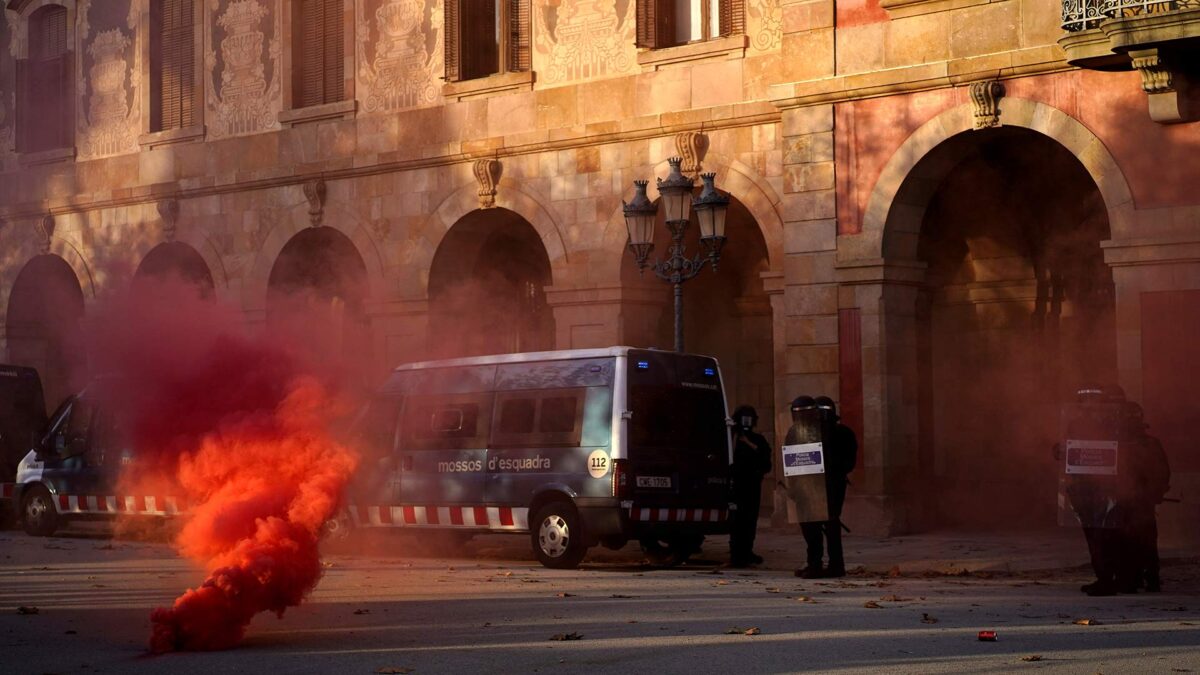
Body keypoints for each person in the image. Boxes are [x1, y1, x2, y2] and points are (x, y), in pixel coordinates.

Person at [797, 396, 857, 579]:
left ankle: (834, 565)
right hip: (812, 485)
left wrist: (831, 472)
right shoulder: (807, 434)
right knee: (811, 525)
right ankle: (815, 564)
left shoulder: (842, 433)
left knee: (830, 523)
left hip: (833, 485)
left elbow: (848, 462)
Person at [1120, 402, 1170, 593]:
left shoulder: (1147, 444)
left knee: (1136, 540)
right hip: (1133, 499)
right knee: (1144, 540)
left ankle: (1138, 579)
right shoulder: (1149, 443)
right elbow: (1163, 472)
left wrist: (1155, 492)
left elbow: (1162, 472)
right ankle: (1145, 578)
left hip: (1139, 499)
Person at [729, 404, 772, 568]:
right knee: (736, 521)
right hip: (735, 485)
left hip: (752, 485)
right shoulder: (731, 438)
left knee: (750, 520)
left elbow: (766, 462)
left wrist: (749, 444)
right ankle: (736, 555)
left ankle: (747, 552)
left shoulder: (758, 440)